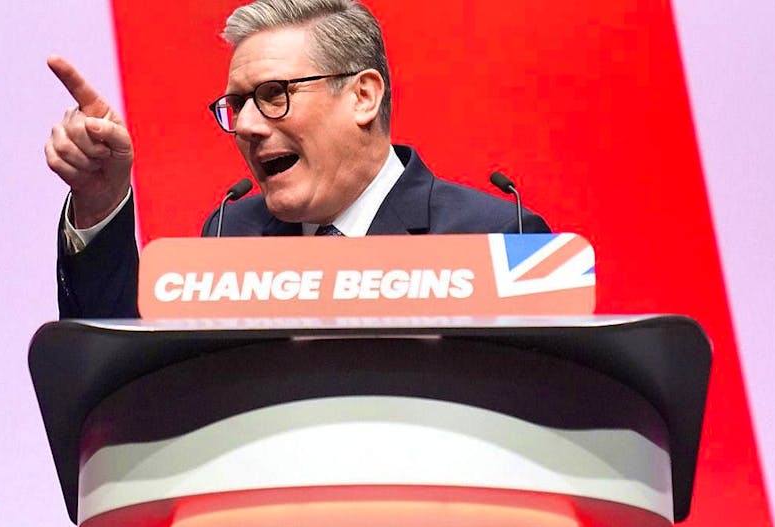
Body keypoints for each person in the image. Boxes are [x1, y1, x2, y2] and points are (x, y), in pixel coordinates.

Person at [45, 0, 549, 319]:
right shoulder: (231, 238)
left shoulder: (497, 239)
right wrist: (101, 201)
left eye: (274, 94)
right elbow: (134, 383)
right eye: (237, 104)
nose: (246, 125)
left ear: (363, 97)